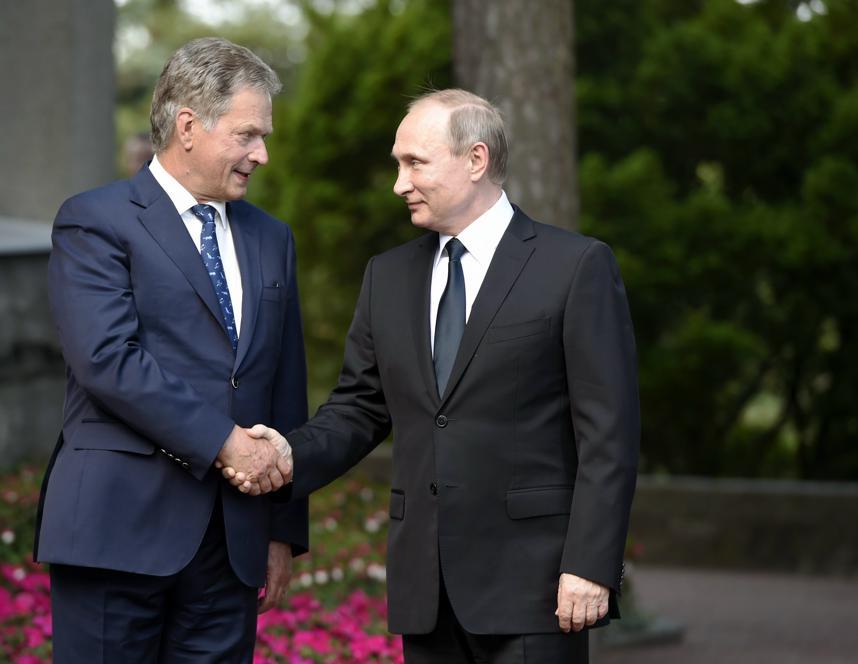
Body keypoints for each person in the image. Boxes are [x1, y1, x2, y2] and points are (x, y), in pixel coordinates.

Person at [227, 89, 640, 663]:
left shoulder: (575, 267)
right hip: (426, 589)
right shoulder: (388, 276)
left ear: (476, 160)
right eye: (398, 163)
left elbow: (609, 436)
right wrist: (287, 456)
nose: (399, 183)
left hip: (538, 588)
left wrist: (590, 566)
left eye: (414, 163)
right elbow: (359, 407)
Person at [34, 37, 308, 663]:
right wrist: (224, 442)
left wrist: (282, 528)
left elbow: (284, 383)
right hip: (116, 531)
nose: (261, 154)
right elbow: (108, 359)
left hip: (232, 542)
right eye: (247, 134)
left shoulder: (272, 238)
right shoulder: (95, 221)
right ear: (189, 125)